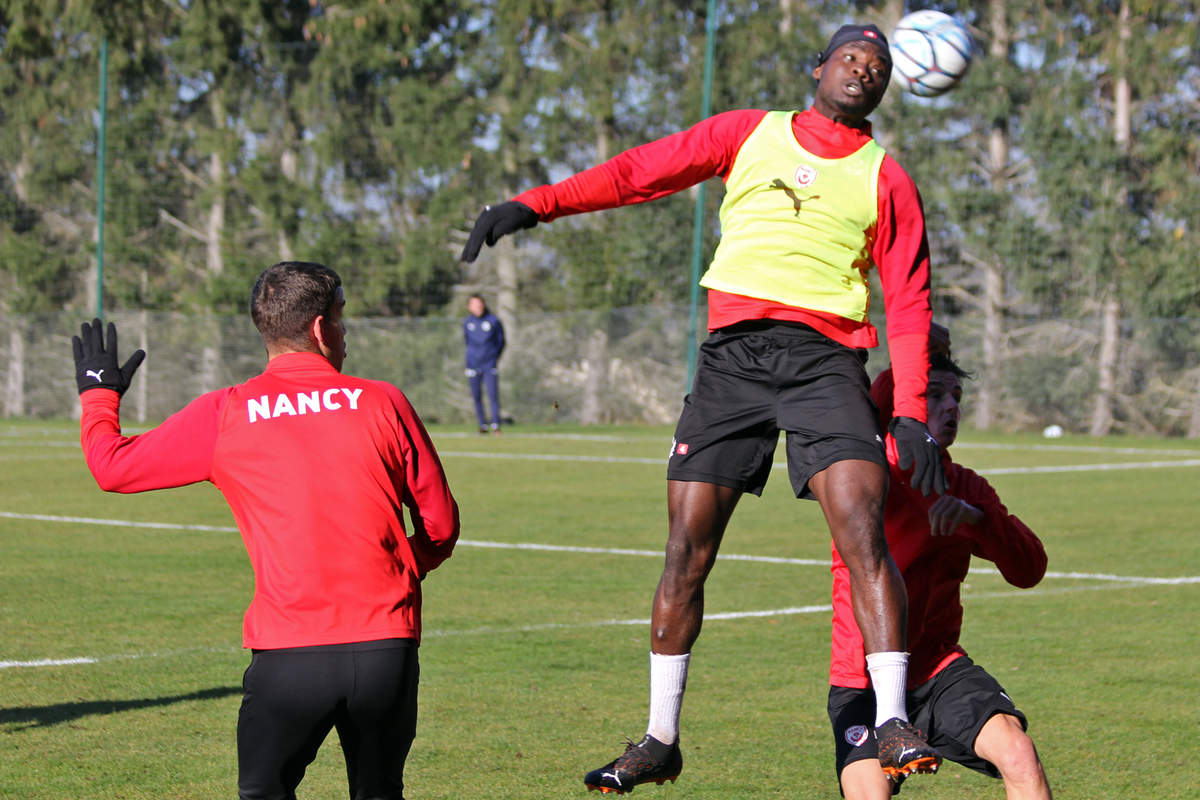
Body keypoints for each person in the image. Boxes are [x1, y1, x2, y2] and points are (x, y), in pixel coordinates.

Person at [462, 23, 948, 794]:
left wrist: (913, 411)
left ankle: (893, 720)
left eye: (878, 67)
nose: (864, 70)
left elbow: (912, 301)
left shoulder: (886, 177)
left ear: (887, 88)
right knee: (686, 552)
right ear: (817, 67)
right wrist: (536, 205)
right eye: (851, 58)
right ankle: (659, 739)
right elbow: (638, 173)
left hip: (827, 364)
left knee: (863, 529)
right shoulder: (745, 132)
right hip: (734, 363)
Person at [70, 261, 460, 800]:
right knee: (378, 791)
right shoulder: (383, 401)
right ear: (321, 328)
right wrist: (397, 569)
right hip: (385, 652)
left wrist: (99, 396)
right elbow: (440, 525)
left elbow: (111, 468)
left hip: (289, 654)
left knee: (263, 792)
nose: (345, 334)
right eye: (342, 320)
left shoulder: (226, 412)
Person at [828, 336, 1053, 799]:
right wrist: (915, 351)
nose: (951, 406)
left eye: (957, 396)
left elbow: (1029, 568)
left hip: (938, 670)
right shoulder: (868, 475)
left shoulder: (966, 488)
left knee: (1018, 753)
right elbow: (876, 400)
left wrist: (978, 522)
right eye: (934, 394)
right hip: (862, 678)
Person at [463, 293, 506, 434]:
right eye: (474, 304)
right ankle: (482, 425)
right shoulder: (467, 323)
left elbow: (501, 342)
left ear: (484, 305)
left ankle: (496, 425)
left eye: (480, 304)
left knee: (493, 395)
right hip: (473, 365)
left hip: (489, 364)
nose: (478, 307)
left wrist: (493, 357)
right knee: (476, 396)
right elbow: (467, 342)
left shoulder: (493, 321)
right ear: (469, 307)